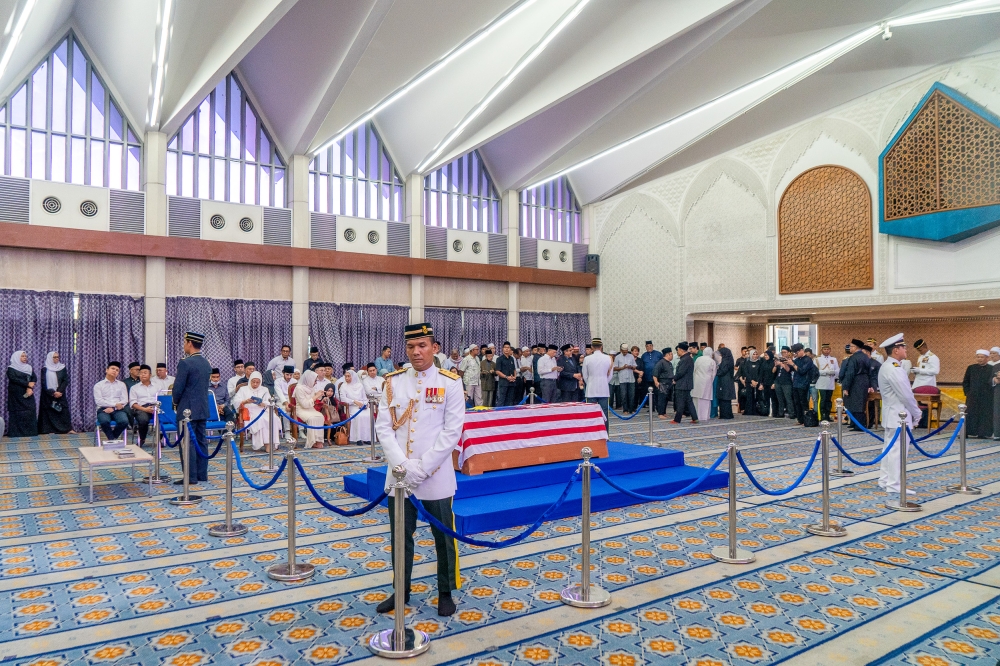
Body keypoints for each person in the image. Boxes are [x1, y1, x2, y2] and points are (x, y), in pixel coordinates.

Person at [374, 322, 463, 618]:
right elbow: (384, 429)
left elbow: (452, 432)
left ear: (434, 347)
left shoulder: (450, 382)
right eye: (411, 346)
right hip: (399, 477)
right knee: (400, 536)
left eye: (422, 345)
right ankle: (402, 589)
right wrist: (402, 466)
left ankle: (446, 590)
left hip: (435, 475)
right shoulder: (393, 381)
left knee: (443, 536)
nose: (416, 351)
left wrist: (422, 468)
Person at [877, 334, 921, 494]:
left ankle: (885, 479)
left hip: (891, 414)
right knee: (897, 451)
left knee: (889, 449)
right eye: (903, 347)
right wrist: (917, 413)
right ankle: (894, 484)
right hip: (899, 416)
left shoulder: (888, 366)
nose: (906, 349)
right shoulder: (895, 368)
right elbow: (906, 395)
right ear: (896, 350)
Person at [172, 332, 212, 485]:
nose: (184, 345)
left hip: (187, 410)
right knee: (201, 441)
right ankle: (202, 474)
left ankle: (190, 477)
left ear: (189, 343)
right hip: (202, 408)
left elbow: (178, 388)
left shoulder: (185, 363)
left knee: (187, 442)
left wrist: (175, 402)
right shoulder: (206, 362)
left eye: (184, 342)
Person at [234, 371, 280, 451]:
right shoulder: (243, 389)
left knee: (274, 418)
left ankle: (271, 443)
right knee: (261, 420)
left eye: (257, 382)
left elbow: (269, 401)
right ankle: (265, 444)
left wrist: (262, 403)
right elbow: (236, 402)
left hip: (263, 410)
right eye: (253, 382)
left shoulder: (265, 389)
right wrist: (246, 401)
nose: (255, 384)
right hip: (250, 410)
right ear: (250, 380)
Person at [839, 339, 872, 430]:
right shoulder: (866, 357)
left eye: (851, 346)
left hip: (855, 382)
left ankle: (858, 425)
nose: (850, 348)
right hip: (864, 381)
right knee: (860, 403)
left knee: (855, 404)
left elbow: (850, 373)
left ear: (855, 347)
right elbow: (870, 372)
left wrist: (846, 387)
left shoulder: (853, 358)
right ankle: (855, 424)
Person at [963, 350, 995, 438]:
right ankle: (969, 432)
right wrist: (968, 393)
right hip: (972, 396)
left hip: (986, 397)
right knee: (970, 414)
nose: (980, 359)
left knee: (984, 415)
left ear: (987, 358)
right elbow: (966, 382)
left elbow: (993, 382)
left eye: (982, 357)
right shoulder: (971, 368)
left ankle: (983, 433)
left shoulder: (991, 369)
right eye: (978, 357)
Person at [38, 351, 71, 435]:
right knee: (48, 412)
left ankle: (65, 429)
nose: (57, 359)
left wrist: (59, 391)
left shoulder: (62, 368)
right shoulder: (44, 369)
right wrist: (53, 393)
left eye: (58, 357)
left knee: (63, 410)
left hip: (60, 393)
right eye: (55, 357)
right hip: (48, 394)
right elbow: (43, 383)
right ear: (50, 358)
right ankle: (48, 430)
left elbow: (65, 380)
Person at [6, 351, 37, 437]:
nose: (25, 358)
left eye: (25, 356)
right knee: (17, 412)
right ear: (16, 357)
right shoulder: (11, 369)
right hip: (16, 395)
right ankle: (16, 433)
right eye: (22, 356)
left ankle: (30, 432)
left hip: (28, 393)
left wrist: (29, 388)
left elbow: (34, 378)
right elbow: (13, 379)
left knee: (30, 410)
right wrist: (27, 384)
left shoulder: (29, 368)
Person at [582, 338, 611, 428]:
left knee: (591, 413)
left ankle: (593, 435)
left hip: (591, 389)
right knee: (604, 414)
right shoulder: (608, 358)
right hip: (604, 389)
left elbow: (585, 375)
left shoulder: (587, 359)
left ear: (592, 347)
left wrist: (590, 383)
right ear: (601, 346)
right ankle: (605, 435)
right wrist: (604, 382)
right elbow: (610, 375)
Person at [129, 365, 160, 446]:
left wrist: (155, 408)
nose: (143, 375)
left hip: (156, 407)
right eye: (141, 373)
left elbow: (162, 398)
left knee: (164, 419)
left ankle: (160, 439)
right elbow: (133, 404)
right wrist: (145, 409)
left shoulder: (157, 386)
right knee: (143, 420)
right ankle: (142, 439)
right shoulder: (134, 388)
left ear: (150, 375)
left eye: (145, 373)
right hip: (141, 408)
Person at [294, 370, 326, 448]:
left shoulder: (311, 387)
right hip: (301, 410)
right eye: (315, 381)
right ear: (309, 380)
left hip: (310, 409)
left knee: (320, 417)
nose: (316, 383)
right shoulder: (299, 389)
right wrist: (316, 396)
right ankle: (312, 442)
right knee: (312, 418)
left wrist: (319, 394)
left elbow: (312, 398)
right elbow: (304, 404)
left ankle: (318, 440)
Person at [339, 370, 371, 445]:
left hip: (362, 406)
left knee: (369, 415)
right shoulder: (343, 386)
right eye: (346, 376)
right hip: (351, 406)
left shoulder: (360, 385)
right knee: (359, 416)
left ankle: (367, 438)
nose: (347, 378)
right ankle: (358, 438)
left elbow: (364, 398)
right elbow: (343, 399)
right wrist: (354, 401)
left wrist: (364, 404)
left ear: (353, 377)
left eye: (348, 376)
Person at [671, 343, 698, 424]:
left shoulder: (685, 359)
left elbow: (681, 372)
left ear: (682, 350)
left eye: (678, 350)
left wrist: (674, 378)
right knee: (689, 402)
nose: (677, 352)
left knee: (680, 402)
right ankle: (695, 418)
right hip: (686, 384)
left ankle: (677, 419)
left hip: (682, 384)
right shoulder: (688, 358)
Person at [789, 344, 814, 425]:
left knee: (803, 402)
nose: (795, 355)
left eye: (796, 353)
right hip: (795, 383)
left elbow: (802, 371)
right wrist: (785, 363)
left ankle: (806, 419)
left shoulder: (808, 360)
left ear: (801, 351)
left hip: (803, 384)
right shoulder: (796, 360)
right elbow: (790, 370)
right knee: (796, 402)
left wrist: (792, 364)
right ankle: (800, 419)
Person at [815, 343, 839, 422]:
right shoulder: (817, 359)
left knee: (829, 400)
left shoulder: (833, 359)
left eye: (828, 349)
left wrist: (832, 372)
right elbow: (815, 371)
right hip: (821, 382)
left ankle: (827, 415)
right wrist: (825, 372)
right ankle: (821, 416)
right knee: (822, 400)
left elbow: (837, 370)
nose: (826, 351)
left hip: (830, 382)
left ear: (830, 350)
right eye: (825, 349)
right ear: (821, 350)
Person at [692, 345, 717, 421]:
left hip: (697, 381)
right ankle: (705, 416)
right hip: (707, 381)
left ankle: (697, 416)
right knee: (706, 399)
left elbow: (694, 370)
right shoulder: (712, 361)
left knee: (697, 399)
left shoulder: (698, 359)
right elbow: (714, 373)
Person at [738, 348, 764, 416]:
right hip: (749, 382)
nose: (755, 356)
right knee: (749, 397)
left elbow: (760, 373)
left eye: (756, 354)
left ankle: (757, 410)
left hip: (757, 383)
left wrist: (757, 382)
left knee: (757, 397)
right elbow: (746, 373)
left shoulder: (759, 362)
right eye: (753, 354)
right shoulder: (747, 363)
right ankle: (749, 411)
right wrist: (751, 381)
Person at [771, 347, 794, 418]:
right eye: (782, 352)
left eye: (785, 352)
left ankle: (791, 413)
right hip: (778, 381)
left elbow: (788, 370)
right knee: (779, 399)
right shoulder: (778, 360)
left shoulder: (790, 361)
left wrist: (782, 364)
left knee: (788, 398)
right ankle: (780, 413)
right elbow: (773, 371)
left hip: (787, 382)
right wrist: (776, 365)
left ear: (788, 353)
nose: (783, 354)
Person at [614, 344, 637, 413]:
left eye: (626, 351)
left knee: (631, 395)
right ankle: (625, 409)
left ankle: (631, 409)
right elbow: (615, 368)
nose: (625, 353)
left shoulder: (631, 356)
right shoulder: (617, 357)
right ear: (621, 350)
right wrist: (622, 367)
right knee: (623, 395)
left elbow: (635, 366)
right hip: (622, 379)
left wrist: (631, 367)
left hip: (631, 379)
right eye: (624, 352)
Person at [494, 342, 518, 407]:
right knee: (501, 400)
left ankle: (508, 415)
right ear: (502, 349)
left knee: (510, 401)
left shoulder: (512, 358)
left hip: (512, 382)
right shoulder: (499, 359)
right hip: (503, 383)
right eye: (505, 347)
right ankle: (499, 415)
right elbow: (497, 371)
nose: (507, 349)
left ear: (510, 349)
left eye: (508, 348)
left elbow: (514, 370)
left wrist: (514, 377)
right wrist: (506, 377)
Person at [653, 348, 674, 419]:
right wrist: (656, 382)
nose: (672, 356)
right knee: (661, 399)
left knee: (666, 399)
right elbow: (655, 374)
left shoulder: (670, 363)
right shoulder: (660, 363)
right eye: (671, 354)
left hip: (669, 383)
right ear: (667, 354)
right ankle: (660, 413)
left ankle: (664, 412)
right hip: (662, 383)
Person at [715, 347, 736, 419]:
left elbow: (722, 371)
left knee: (724, 398)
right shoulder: (729, 359)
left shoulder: (725, 360)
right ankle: (728, 414)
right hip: (728, 381)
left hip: (724, 381)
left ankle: (725, 415)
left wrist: (716, 372)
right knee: (726, 399)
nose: (720, 355)